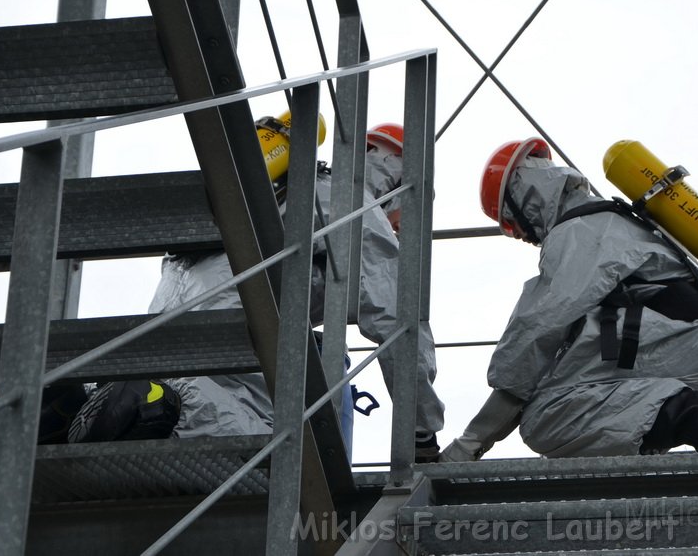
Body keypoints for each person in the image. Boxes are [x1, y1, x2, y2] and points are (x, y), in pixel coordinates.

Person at [71, 120, 445, 462]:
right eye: (399, 221)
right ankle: (146, 407)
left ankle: (97, 402)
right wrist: (421, 433)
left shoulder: (281, 192)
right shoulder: (354, 206)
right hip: (219, 370)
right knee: (287, 457)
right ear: (399, 187)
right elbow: (398, 322)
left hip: (166, 342)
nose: (396, 229)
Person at [441, 138, 698, 461]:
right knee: (595, 407)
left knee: (547, 418)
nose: (522, 236)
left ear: (524, 199)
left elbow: (535, 335)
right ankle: (697, 422)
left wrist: (471, 443)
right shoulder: (609, 220)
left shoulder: (578, 232)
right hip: (686, 341)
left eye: (512, 224)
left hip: (674, 339)